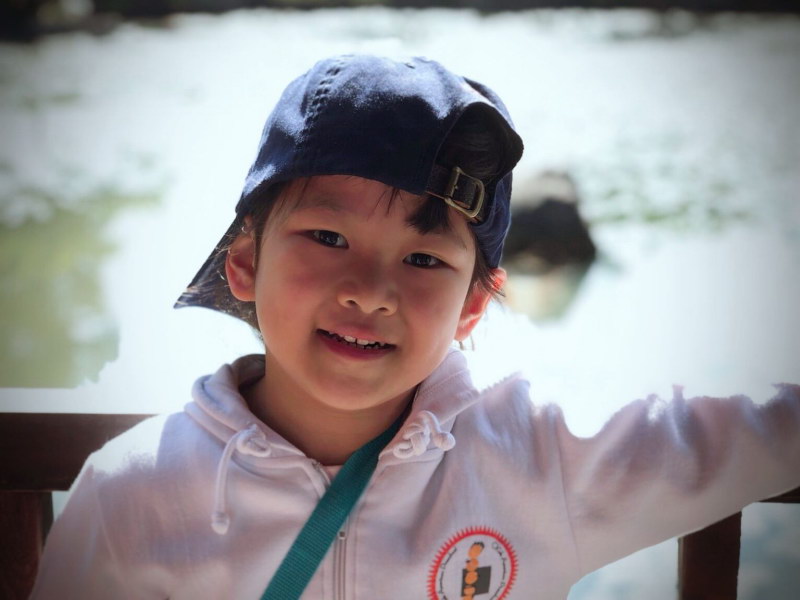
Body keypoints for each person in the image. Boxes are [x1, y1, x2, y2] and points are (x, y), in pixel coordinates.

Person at [31, 54, 799, 600]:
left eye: (425, 259)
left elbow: (766, 428)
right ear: (243, 264)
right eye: (328, 237)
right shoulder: (134, 492)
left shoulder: (541, 460)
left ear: (472, 306)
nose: (371, 292)